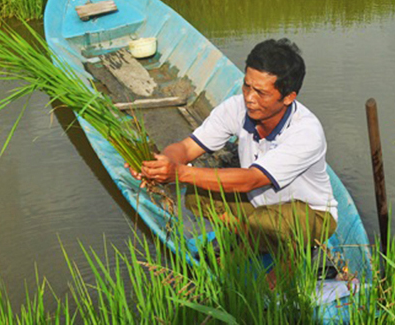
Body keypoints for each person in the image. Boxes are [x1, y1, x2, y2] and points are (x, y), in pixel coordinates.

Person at [129, 38, 337, 257]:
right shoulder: (236, 108)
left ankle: (291, 254)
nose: (249, 98)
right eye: (247, 86)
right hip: (259, 203)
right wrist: (162, 163)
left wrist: (179, 173)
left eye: (261, 93)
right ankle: (248, 236)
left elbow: (251, 179)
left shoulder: (305, 132)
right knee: (197, 193)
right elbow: (187, 148)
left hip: (310, 214)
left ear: (288, 97)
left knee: (264, 224)